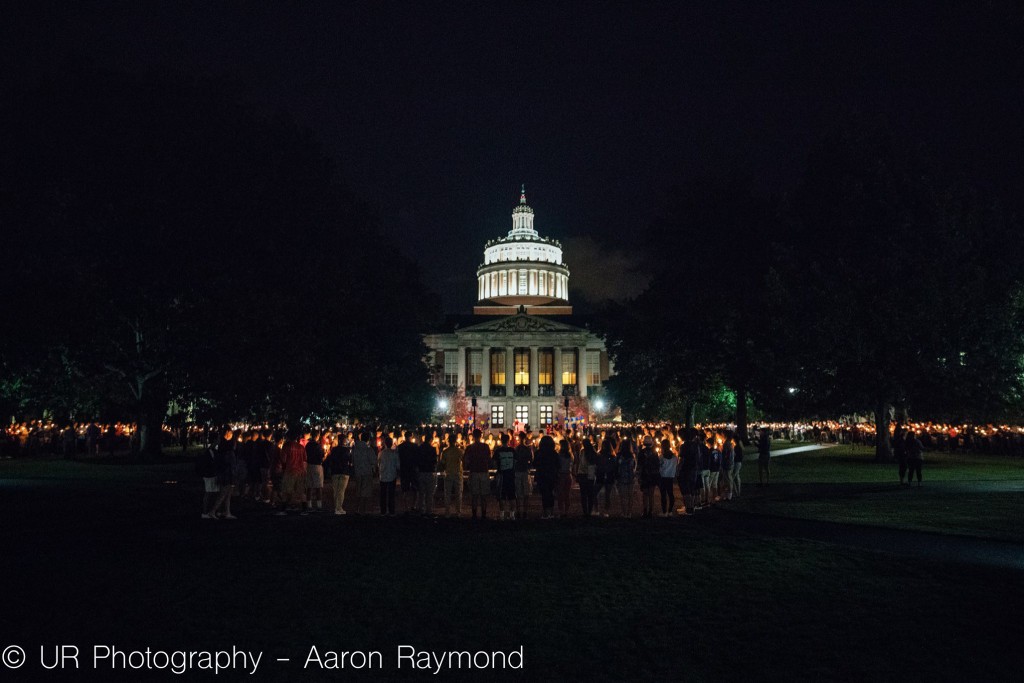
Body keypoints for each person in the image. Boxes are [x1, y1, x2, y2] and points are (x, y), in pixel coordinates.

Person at [275, 429, 308, 515]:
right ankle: (304, 509)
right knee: (301, 491)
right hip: (300, 471)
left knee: (286, 490)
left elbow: (283, 459)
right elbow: (305, 461)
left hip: (290, 470)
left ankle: (283, 509)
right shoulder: (301, 447)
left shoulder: (287, 446)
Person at [464, 429, 491, 519]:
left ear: (473, 436)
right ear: (481, 436)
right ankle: (483, 514)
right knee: (484, 495)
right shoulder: (486, 447)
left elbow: (466, 461)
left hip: (474, 472)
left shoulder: (469, 448)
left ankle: (474, 514)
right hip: (483, 471)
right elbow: (489, 458)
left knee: (474, 495)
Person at [211, 428, 238, 519]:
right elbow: (228, 464)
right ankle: (213, 511)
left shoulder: (227, 451)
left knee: (228, 494)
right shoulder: (227, 452)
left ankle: (227, 512)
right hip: (227, 473)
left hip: (228, 473)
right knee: (223, 493)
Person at [351, 431, 377, 515]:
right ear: (368, 439)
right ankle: (363, 510)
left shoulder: (355, 449)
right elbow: (373, 461)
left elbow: (353, 460)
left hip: (358, 472)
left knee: (358, 491)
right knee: (365, 492)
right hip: (366, 472)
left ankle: (356, 509)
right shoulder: (368, 449)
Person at [326, 434, 352, 515]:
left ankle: (337, 507)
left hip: (335, 471)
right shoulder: (347, 450)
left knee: (336, 490)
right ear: (344, 440)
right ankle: (338, 508)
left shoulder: (334, 450)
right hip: (344, 471)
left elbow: (330, 459)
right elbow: (350, 460)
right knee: (341, 490)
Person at [534, 435, 559, 519]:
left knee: (544, 494)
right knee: (550, 493)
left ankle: (545, 512)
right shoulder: (554, 453)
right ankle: (551, 512)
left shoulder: (538, 452)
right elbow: (558, 464)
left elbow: (535, 464)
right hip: (551, 475)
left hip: (542, 475)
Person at [492, 433, 517, 520]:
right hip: (511, 475)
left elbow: (494, 463)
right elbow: (515, 462)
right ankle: (512, 514)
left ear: (501, 441)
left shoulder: (498, 451)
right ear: (508, 441)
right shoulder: (513, 450)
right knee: (512, 495)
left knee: (502, 495)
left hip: (502, 475)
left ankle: (502, 514)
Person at [440, 432, 465, 517]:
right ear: (455, 441)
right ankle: (458, 511)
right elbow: (464, 460)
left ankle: (447, 511)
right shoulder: (459, 451)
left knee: (447, 493)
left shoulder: (445, 452)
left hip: (448, 473)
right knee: (458, 493)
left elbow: (442, 463)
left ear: (448, 441)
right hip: (458, 473)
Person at [416, 430, 439, 515]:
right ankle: (429, 510)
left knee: (421, 492)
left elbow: (417, 460)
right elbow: (434, 461)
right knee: (429, 493)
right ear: (430, 440)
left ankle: (421, 509)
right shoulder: (432, 449)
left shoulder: (419, 448)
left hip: (421, 471)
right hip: (429, 472)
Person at [637, 436, 660, 519]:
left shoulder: (641, 452)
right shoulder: (655, 453)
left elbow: (639, 465)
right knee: (651, 494)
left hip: (644, 475)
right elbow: (657, 464)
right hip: (652, 475)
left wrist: (639, 476)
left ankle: (645, 510)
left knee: (645, 494)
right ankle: (650, 510)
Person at [513, 432, 534, 520]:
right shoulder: (527, 449)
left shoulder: (516, 449)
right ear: (525, 438)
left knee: (518, 492)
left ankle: (518, 511)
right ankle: (525, 511)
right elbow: (531, 459)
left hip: (517, 471)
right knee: (526, 492)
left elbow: (514, 460)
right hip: (525, 471)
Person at [197, 438, 219, 519]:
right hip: (209, 475)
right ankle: (205, 512)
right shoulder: (207, 453)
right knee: (209, 492)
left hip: (211, 474)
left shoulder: (213, 452)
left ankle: (210, 511)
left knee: (212, 492)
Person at [397, 431, 419, 513]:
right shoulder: (415, 446)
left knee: (405, 488)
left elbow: (398, 458)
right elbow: (417, 458)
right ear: (411, 437)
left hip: (404, 469)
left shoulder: (400, 447)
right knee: (415, 488)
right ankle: (413, 505)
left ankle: (406, 506)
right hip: (413, 469)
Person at [305, 430, 326, 512]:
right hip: (317, 466)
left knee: (309, 486)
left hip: (309, 465)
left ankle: (309, 504)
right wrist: (325, 454)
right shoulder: (318, 445)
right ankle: (319, 505)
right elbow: (321, 457)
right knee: (318, 486)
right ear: (317, 436)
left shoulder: (308, 445)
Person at [378, 436, 400, 515]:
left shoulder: (381, 453)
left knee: (383, 494)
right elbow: (398, 465)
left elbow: (378, 463)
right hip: (392, 475)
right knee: (391, 494)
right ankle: (391, 510)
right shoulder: (394, 454)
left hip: (383, 476)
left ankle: (383, 511)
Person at [616, 435, 636, 518]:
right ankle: (629, 513)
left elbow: (616, 466)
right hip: (630, 477)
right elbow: (634, 467)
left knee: (623, 496)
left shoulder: (619, 455)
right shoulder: (632, 456)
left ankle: (624, 512)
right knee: (630, 496)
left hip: (621, 477)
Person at [658, 438, 678, 517]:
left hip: (663, 477)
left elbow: (659, 466)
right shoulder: (674, 457)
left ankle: (664, 512)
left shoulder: (661, 457)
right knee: (670, 494)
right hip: (670, 477)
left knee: (663, 495)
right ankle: (670, 511)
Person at [556, 438, 574, 518]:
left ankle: (561, 511)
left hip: (561, 475)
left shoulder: (559, 455)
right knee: (567, 494)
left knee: (560, 494)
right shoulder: (570, 455)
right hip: (568, 475)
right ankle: (566, 511)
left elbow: (558, 465)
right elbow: (572, 464)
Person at [720, 431, 735, 501]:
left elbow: (725, 455)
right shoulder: (730, 443)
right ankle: (728, 493)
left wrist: (721, 451)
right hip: (730, 463)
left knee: (728, 478)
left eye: (723, 435)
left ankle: (729, 494)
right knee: (728, 478)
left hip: (727, 464)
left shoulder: (726, 444)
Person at [732, 434, 744, 498]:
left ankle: (735, 492)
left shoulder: (736, 447)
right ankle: (738, 492)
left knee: (732, 478)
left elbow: (734, 455)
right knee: (737, 477)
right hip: (739, 463)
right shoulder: (739, 446)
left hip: (736, 463)